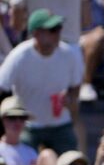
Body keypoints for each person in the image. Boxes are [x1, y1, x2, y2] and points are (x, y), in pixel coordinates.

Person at [0, 9, 83, 154]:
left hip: (60, 125)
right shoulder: (19, 56)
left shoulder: (69, 55)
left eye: (58, 29)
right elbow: (2, 86)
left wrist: (69, 99)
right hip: (27, 126)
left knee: (72, 163)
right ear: (36, 33)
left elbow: (75, 86)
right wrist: (13, 120)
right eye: (52, 30)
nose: (57, 34)